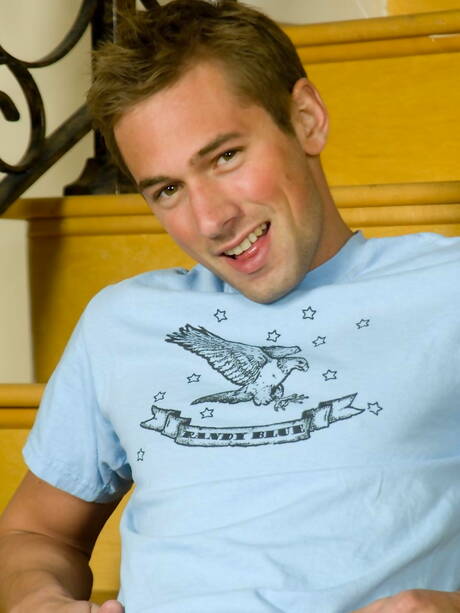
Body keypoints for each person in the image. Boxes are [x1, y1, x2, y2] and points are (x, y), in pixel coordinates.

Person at [0, 1, 459, 611]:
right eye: (168, 189)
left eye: (225, 157)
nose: (211, 220)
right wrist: (40, 601)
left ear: (306, 119)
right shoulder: (121, 322)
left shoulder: (445, 289)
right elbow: (36, 534)